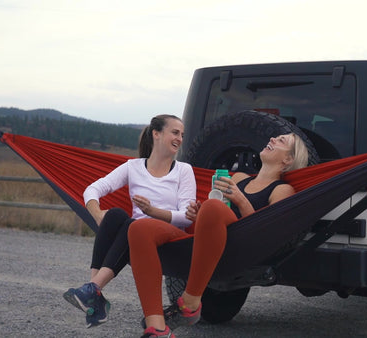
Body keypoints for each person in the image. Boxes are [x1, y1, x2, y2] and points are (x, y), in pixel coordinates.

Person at [128, 133, 309, 337]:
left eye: (281, 141)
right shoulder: (239, 178)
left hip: (240, 247)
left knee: (213, 207)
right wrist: (198, 214)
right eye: (275, 136)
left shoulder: (283, 190)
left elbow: (266, 232)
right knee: (139, 229)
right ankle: (157, 327)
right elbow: (215, 211)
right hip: (209, 244)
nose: (273, 139)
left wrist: (240, 201)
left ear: (288, 160)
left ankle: (191, 300)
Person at [63, 114, 196, 328]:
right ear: (157, 134)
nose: (180, 138)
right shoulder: (132, 167)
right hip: (137, 239)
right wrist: (98, 215)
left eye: (182, 134)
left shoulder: (183, 170)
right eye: (175, 132)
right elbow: (92, 189)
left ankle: (92, 289)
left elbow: (186, 217)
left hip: (173, 239)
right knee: (115, 215)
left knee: (134, 225)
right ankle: (93, 292)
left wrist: (152, 211)